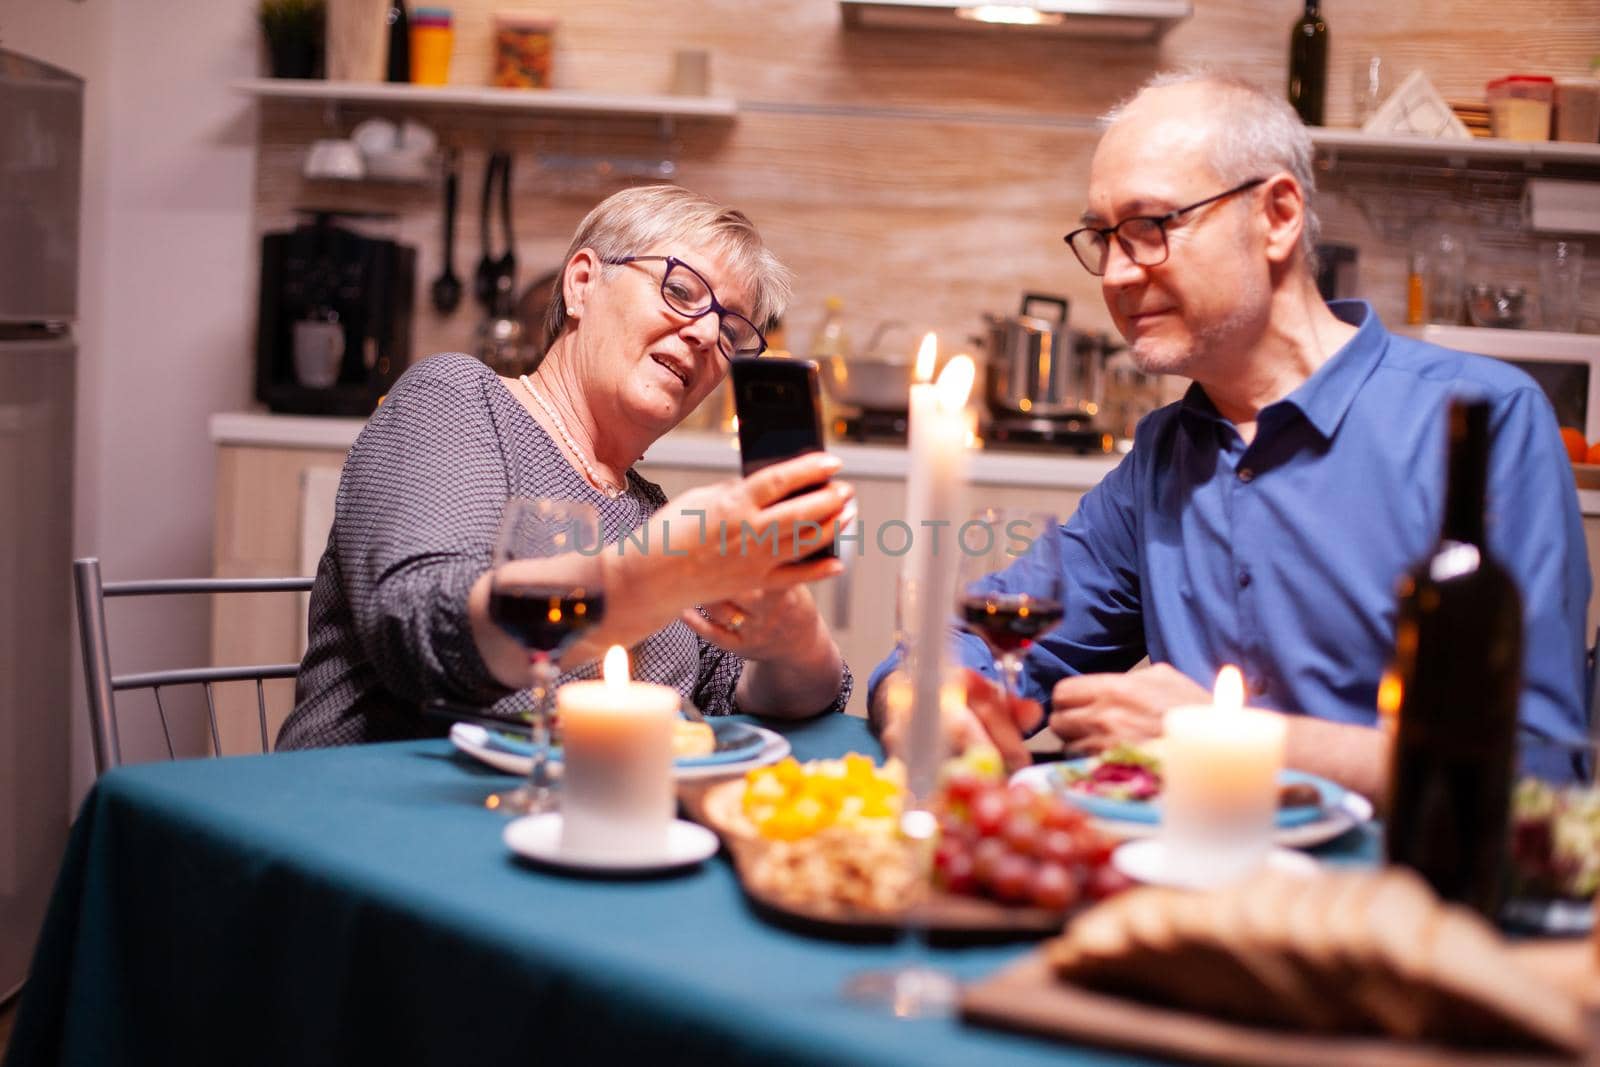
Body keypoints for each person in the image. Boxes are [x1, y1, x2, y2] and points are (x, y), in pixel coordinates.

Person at [869, 72, 1591, 799]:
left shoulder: (1482, 422)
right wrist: (929, 696)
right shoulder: (1163, 457)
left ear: (1276, 215)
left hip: (1397, 897)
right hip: (1176, 875)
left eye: (1151, 226)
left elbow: (1536, 771)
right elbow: (969, 634)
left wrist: (1217, 736)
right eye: (1102, 236)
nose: (1117, 274)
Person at [279, 184, 853, 749]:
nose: (706, 334)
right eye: (681, 290)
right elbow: (422, 628)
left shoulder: (647, 511)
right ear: (582, 284)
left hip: (593, 818)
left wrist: (797, 641)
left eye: (731, 332)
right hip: (380, 808)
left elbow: (740, 695)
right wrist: (644, 577)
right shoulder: (458, 399)